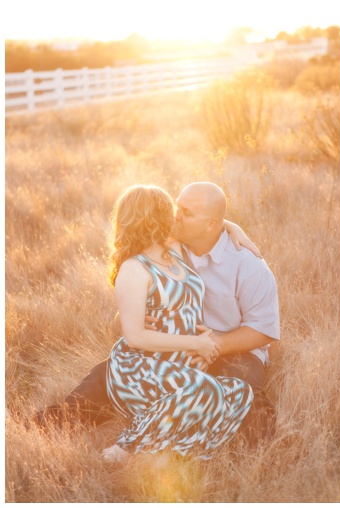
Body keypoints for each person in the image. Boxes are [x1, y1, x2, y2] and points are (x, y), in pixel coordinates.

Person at [34, 182, 280, 448]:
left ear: (211, 225)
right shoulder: (172, 244)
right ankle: (45, 428)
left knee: (242, 398)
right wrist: (126, 321)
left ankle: (265, 450)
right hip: (174, 343)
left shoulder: (249, 265)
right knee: (108, 375)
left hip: (234, 350)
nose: (176, 215)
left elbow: (263, 329)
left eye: (186, 212)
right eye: (177, 206)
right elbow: (136, 294)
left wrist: (215, 346)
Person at [101, 184, 254, 462]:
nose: (176, 215)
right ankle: (125, 449)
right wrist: (197, 343)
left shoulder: (172, 249)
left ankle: (169, 455)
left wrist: (230, 226)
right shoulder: (134, 268)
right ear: (152, 219)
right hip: (140, 369)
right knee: (207, 391)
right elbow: (134, 337)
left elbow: (209, 220)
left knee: (239, 392)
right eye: (169, 210)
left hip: (178, 367)